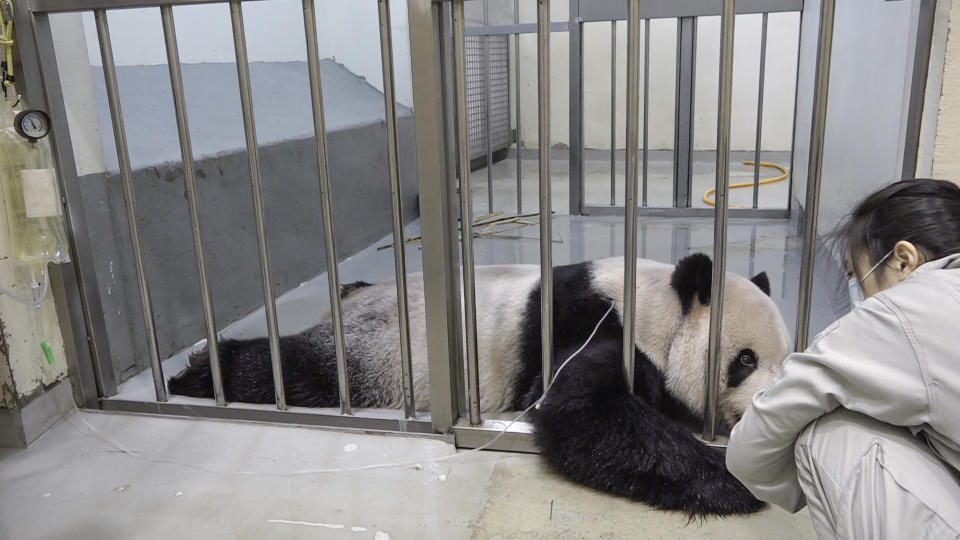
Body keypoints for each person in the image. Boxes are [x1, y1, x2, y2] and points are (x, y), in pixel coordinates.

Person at [726, 179, 960, 539]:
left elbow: (751, 447)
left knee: (825, 431)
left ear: (903, 259)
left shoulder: (906, 312)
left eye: (856, 276)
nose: (860, 293)